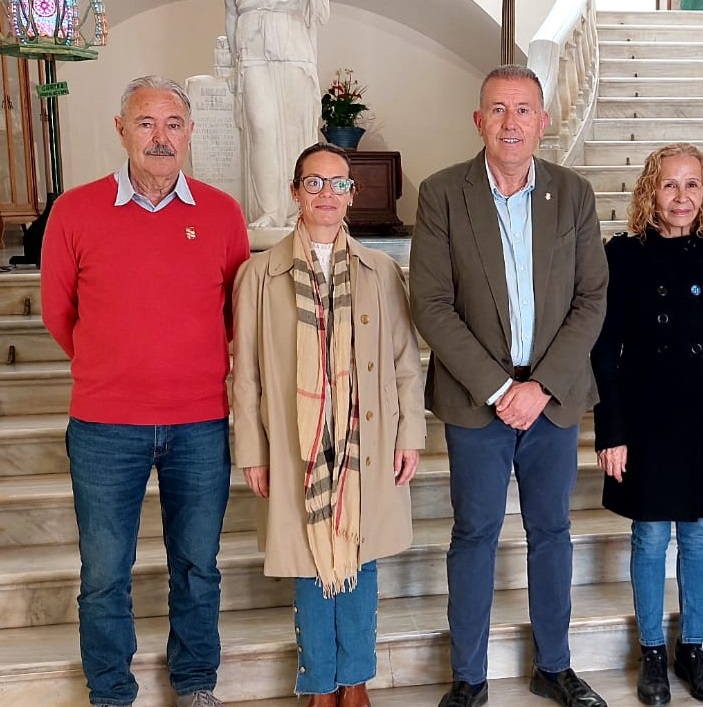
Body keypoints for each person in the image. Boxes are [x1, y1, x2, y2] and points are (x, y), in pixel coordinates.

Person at [40, 75, 250, 707]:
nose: (161, 138)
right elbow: (58, 312)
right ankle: (110, 692)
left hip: (199, 421)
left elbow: (235, 314)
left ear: (190, 133)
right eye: (146, 124)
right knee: (104, 574)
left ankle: (194, 684)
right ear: (121, 130)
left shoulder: (222, 213)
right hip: (106, 425)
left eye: (173, 125)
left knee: (198, 567)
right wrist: (117, 366)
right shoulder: (74, 210)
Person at [409, 65, 609, 707]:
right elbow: (432, 305)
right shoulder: (442, 194)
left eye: (524, 110)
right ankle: (468, 676)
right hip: (477, 401)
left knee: (552, 532)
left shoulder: (573, 193)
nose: (511, 122)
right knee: (474, 534)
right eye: (498, 109)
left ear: (543, 122)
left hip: (553, 402)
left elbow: (592, 298)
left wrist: (542, 386)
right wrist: (501, 388)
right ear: (479, 121)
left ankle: (554, 665)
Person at [231, 142, 425, 707]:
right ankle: (320, 683)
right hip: (299, 443)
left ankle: (357, 678)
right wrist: (252, 449)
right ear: (295, 192)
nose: (326, 194)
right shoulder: (259, 275)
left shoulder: (382, 271)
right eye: (314, 183)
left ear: (351, 195)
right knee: (308, 557)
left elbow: (405, 365)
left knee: (358, 558)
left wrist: (409, 434)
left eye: (338, 184)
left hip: (366, 438)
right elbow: (245, 375)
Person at [590, 144, 703, 705]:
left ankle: (693, 647)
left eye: (693, 185)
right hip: (647, 418)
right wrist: (610, 429)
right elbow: (604, 349)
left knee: (696, 537)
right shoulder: (622, 253)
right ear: (650, 191)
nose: (682, 197)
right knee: (648, 536)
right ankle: (652, 653)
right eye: (670, 185)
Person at [224, 0, 329, 228]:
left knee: (296, 131)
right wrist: (234, 65)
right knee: (261, 128)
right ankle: (268, 210)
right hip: (251, 46)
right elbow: (231, 13)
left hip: (294, 43)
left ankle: (297, 210)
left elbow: (319, 13)